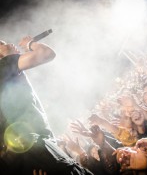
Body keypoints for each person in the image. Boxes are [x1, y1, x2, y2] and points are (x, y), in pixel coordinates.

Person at [0, 37, 93, 175]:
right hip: (33, 144)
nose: (8, 43)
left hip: (19, 154)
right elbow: (47, 53)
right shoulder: (4, 65)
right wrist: (30, 44)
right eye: (1, 44)